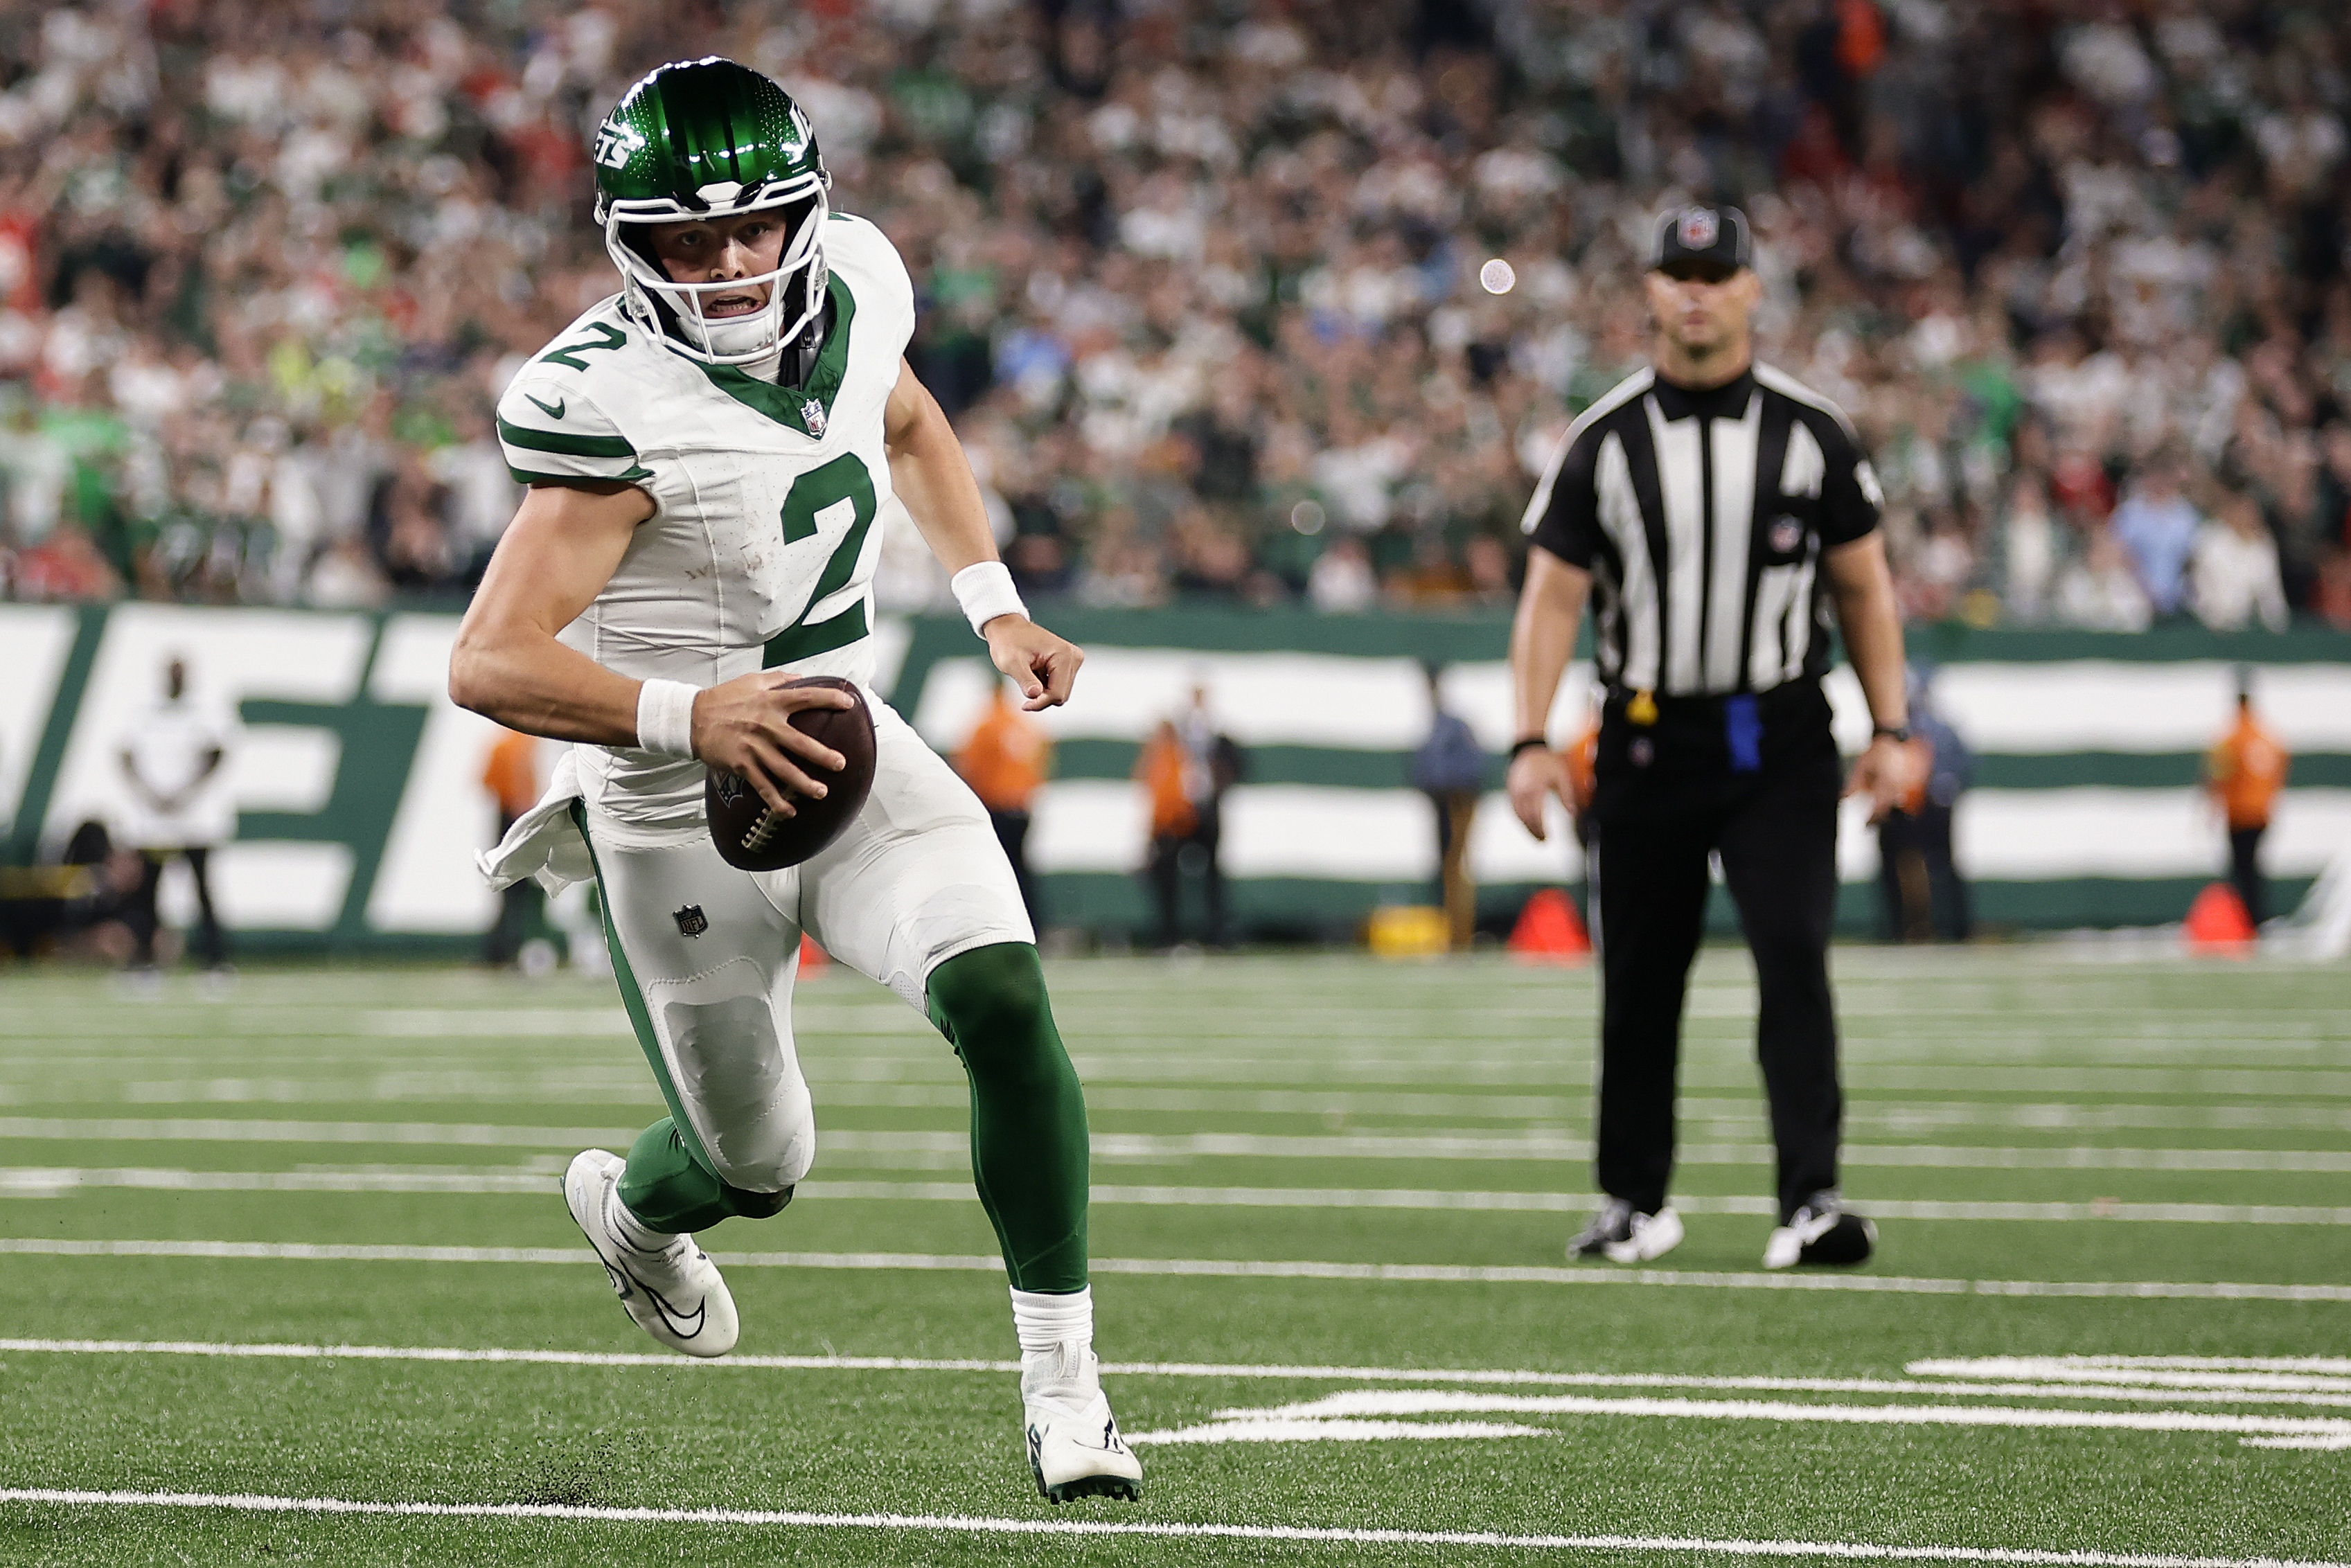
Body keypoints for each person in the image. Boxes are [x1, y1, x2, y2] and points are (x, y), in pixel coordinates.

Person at [447, 60, 1139, 1504]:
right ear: (630, 245)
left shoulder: (862, 285)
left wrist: (994, 601)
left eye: (753, 230)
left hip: (844, 740)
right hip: (668, 807)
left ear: (805, 216)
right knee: (756, 1164)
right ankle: (636, 1215)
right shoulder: (612, 403)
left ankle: (1068, 1393)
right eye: (687, 243)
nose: (728, 266)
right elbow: (489, 658)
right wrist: (684, 714)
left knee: (1003, 995)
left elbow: (907, 425)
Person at [1507, 205, 1911, 1272]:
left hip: (1777, 735)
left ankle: (1809, 1200)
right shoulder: (1601, 439)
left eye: (1713, 273)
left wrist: (1892, 725)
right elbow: (1550, 601)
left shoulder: (1811, 432)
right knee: (1640, 973)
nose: (1694, 291)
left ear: (1748, 291)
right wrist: (1529, 738)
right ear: (1647, 288)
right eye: (1676, 272)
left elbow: (1864, 589)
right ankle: (1635, 1200)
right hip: (1644, 734)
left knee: (1792, 952)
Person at [116, 654, 233, 979]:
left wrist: (185, 793)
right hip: (154, 821)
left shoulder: (205, 711)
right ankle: (144, 962)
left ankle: (215, 961)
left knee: (203, 891)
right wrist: (149, 794)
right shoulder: (145, 712)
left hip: (194, 820)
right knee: (147, 894)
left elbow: (216, 753)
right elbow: (126, 755)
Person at [1134, 684, 1243, 948]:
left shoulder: (1217, 736)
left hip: (1205, 811)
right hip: (1176, 813)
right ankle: (1170, 934)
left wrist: (1217, 787)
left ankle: (1217, 933)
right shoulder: (1173, 738)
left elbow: (1236, 766)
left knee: (1213, 874)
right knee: (1168, 872)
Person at [1875, 665, 1973, 943]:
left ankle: (1954, 927)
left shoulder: (1939, 729)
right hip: (1904, 805)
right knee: (1899, 866)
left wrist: (1946, 787)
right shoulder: (1898, 730)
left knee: (1941, 866)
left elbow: (1963, 765)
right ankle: (1904, 928)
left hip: (1934, 805)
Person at [954, 681, 1053, 925]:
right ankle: (1033, 924)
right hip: (1022, 807)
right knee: (1022, 867)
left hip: (997, 807)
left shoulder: (986, 724)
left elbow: (970, 767)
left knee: (997, 870)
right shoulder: (1024, 724)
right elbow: (1042, 761)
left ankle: (1004, 925)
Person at [1410, 663, 1487, 951]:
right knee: (1448, 867)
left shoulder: (1452, 726)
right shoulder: (1435, 725)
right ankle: (1453, 933)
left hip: (1458, 803)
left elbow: (1469, 767)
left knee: (1457, 866)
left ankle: (1461, 935)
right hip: (1441, 804)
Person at [2205, 672, 2290, 926]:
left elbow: (2218, 773)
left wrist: (2212, 806)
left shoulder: (2232, 737)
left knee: (2241, 870)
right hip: (2262, 811)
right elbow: (2281, 764)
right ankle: (2257, 918)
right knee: (2254, 868)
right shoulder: (2267, 735)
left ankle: (2246, 920)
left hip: (2239, 812)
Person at [480, 727, 544, 967]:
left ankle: (502, 949)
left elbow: (486, 784)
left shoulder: (504, 745)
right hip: (516, 817)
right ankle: (508, 948)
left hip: (507, 816)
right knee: (517, 888)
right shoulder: (520, 746)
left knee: (508, 888)